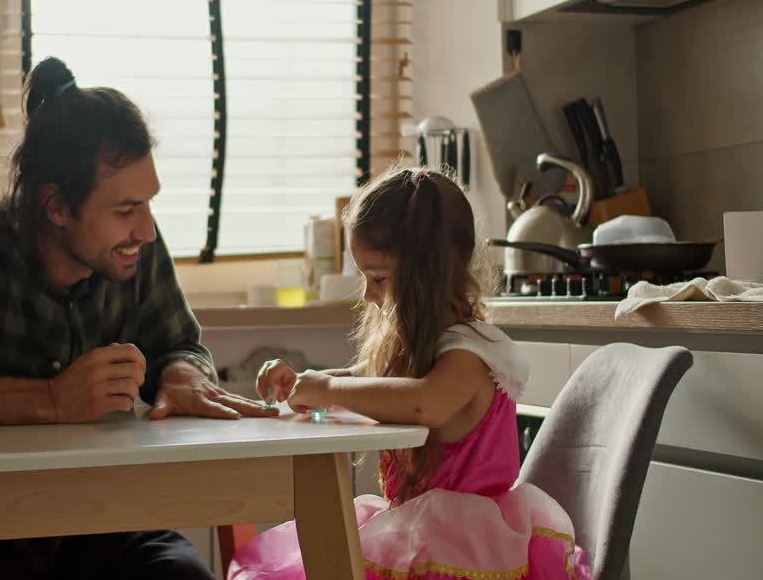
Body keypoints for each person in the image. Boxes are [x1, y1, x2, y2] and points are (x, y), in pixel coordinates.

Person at [0, 56, 272, 579]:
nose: (147, 231)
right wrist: (48, 400)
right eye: (125, 209)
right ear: (57, 206)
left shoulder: (135, 257)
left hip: (97, 520)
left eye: (148, 204)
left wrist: (182, 372)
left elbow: (179, 344)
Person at [230, 167, 592, 580]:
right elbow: (363, 378)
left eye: (378, 278)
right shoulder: (424, 352)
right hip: (416, 529)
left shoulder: (471, 352)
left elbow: (424, 403)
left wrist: (329, 388)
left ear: (427, 272)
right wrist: (303, 381)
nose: (369, 294)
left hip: (469, 544)